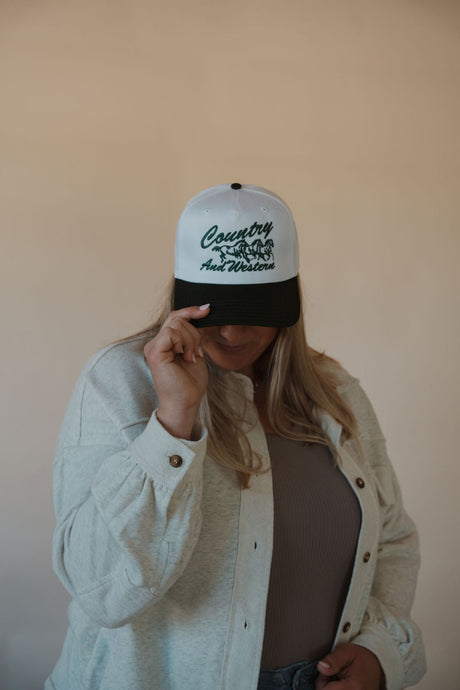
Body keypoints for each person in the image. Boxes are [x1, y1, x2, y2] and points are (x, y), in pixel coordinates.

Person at [46, 183, 426, 690]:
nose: (232, 333)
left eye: (258, 309)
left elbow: (393, 537)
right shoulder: (118, 382)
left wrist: (381, 652)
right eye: (215, 311)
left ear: (289, 300)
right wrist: (173, 421)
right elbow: (101, 592)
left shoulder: (335, 392)